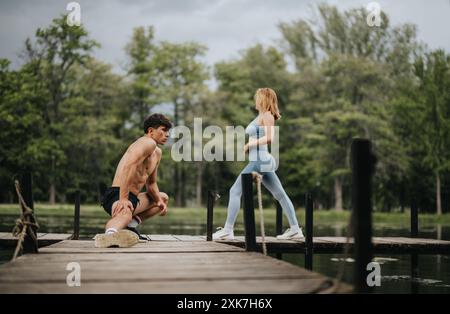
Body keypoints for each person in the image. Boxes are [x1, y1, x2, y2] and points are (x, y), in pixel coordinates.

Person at [213, 88, 304, 240]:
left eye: (257, 97)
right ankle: (295, 229)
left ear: (263, 99)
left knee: (235, 191)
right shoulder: (260, 116)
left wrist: (250, 144)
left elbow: (270, 138)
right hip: (261, 160)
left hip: (260, 160)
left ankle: (228, 230)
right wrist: (251, 145)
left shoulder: (267, 115)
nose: (255, 100)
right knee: (280, 194)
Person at [94, 113, 171, 248]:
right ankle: (108, 236)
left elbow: (151, 184)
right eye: (163, 130)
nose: (167, 134)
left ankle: (129, 227)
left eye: (168, 131)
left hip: (133, 198)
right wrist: (123, 199)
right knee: (125, 215)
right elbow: (129, 166)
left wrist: (158, 201)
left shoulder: (157, 152)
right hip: (117, 194)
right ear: (150, 131)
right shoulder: (147, 142)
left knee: (163, 198)